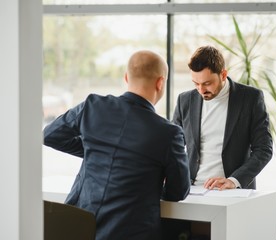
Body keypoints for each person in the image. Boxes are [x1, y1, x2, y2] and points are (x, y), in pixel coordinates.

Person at [43, 50, 191, 240]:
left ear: (126, 77)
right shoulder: (168, 133)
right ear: (160, 82)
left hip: (79, 226)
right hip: (132, 233)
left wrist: (98, 150)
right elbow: (178, 192)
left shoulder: (93, 105)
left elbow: (50, 135)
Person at [173, 45, 273, 190]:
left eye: (207, 83)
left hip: (232, 190)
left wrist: (234, 180)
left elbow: (264, 149)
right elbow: (174, 145)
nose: (201, 90)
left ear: (223, 75)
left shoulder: (250, 98)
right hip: (191, 189)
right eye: (196, 84)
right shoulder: (185, 100)